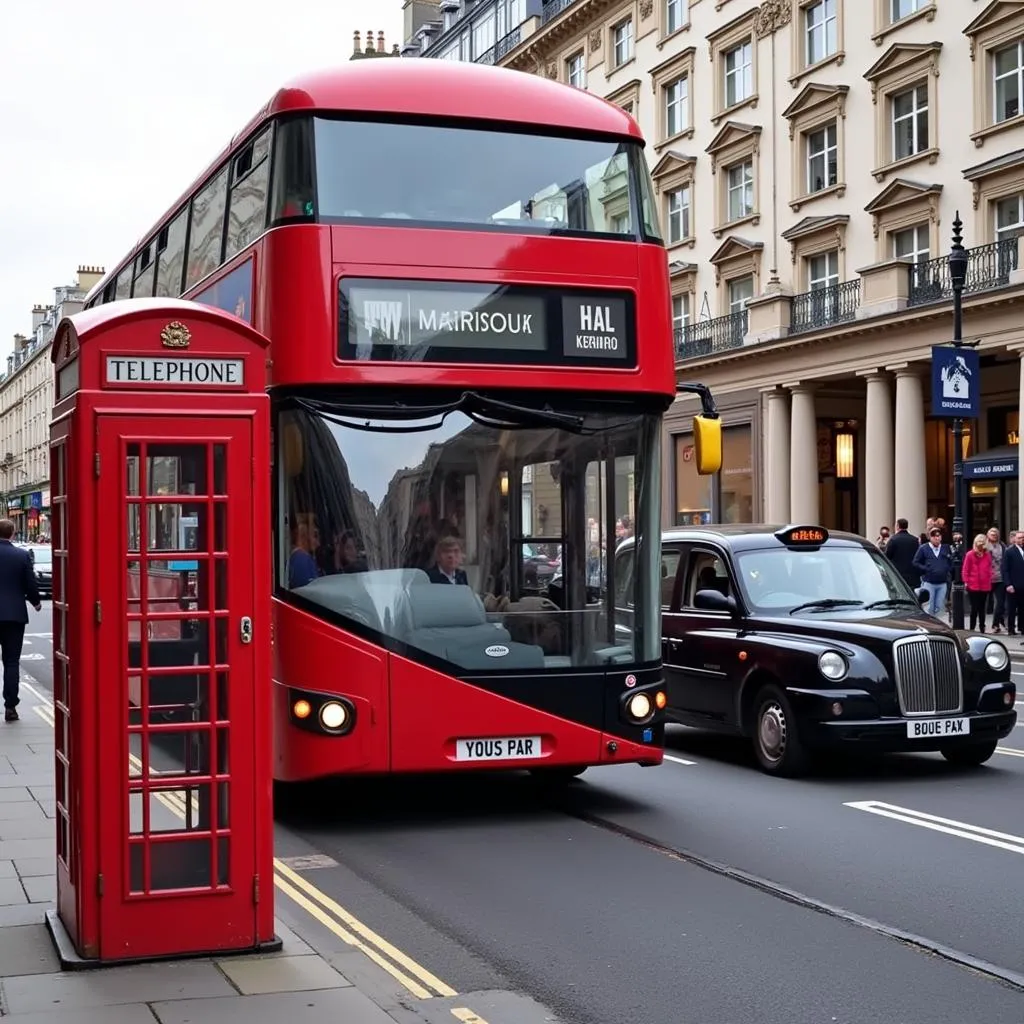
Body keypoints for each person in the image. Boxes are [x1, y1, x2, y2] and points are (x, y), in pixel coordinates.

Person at [0, 520, 42, 723]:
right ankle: (10, 707)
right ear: (13, 534)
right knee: (11, 661)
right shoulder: (21, 555)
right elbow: (30, 584)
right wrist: (36, 602)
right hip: (14, 616)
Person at [912, 526, 953, 618]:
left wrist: (947, 568)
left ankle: (938, 627)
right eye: (934, 536)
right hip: (929, 582)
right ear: (930, 537)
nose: (937, 538)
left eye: (938, 536)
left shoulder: (945, 548)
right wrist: (925, 569)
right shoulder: (923, 548)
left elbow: (951, 561)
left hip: (942, 582)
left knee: (940, 607)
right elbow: (915, 562)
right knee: (929, 607)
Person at [961, 533, 993, 633]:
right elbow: (965, 569)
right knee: (974, 608)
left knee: (982, 608)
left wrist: (989, 577)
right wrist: (966, 581)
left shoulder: (987, 555)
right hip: (973, 585)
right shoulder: (970, 554)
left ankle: (982, 627)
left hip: (985, 585)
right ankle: (972, 627)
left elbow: (989, 568)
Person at [885, 518, 921, 590]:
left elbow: (887, 556)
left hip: (898, 575)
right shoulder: (915, 540)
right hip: (913, 574)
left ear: (897, 526)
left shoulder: (893, 540)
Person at [1002, 530, 1024, 638]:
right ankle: (1011, 628)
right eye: (1019, 538)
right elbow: (1005, 569)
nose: (1021, 540)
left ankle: (1022, 627)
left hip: (1023, 585)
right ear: (1014, 539)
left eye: (1023, 538)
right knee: (1012, 608)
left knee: (1022, 608)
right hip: (1013, 585)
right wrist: (1008, 584)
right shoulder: (1009, 551)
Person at [986, 527, 1007, 633]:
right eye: (991, 533)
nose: (993, 535)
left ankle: (996, 624)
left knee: (1000, 602)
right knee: (982, 603)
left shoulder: (1002, 546)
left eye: (995, 533)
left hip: (1000, 578)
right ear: (988, 535)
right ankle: (981, 625)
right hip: (987, 578)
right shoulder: (984, 545)